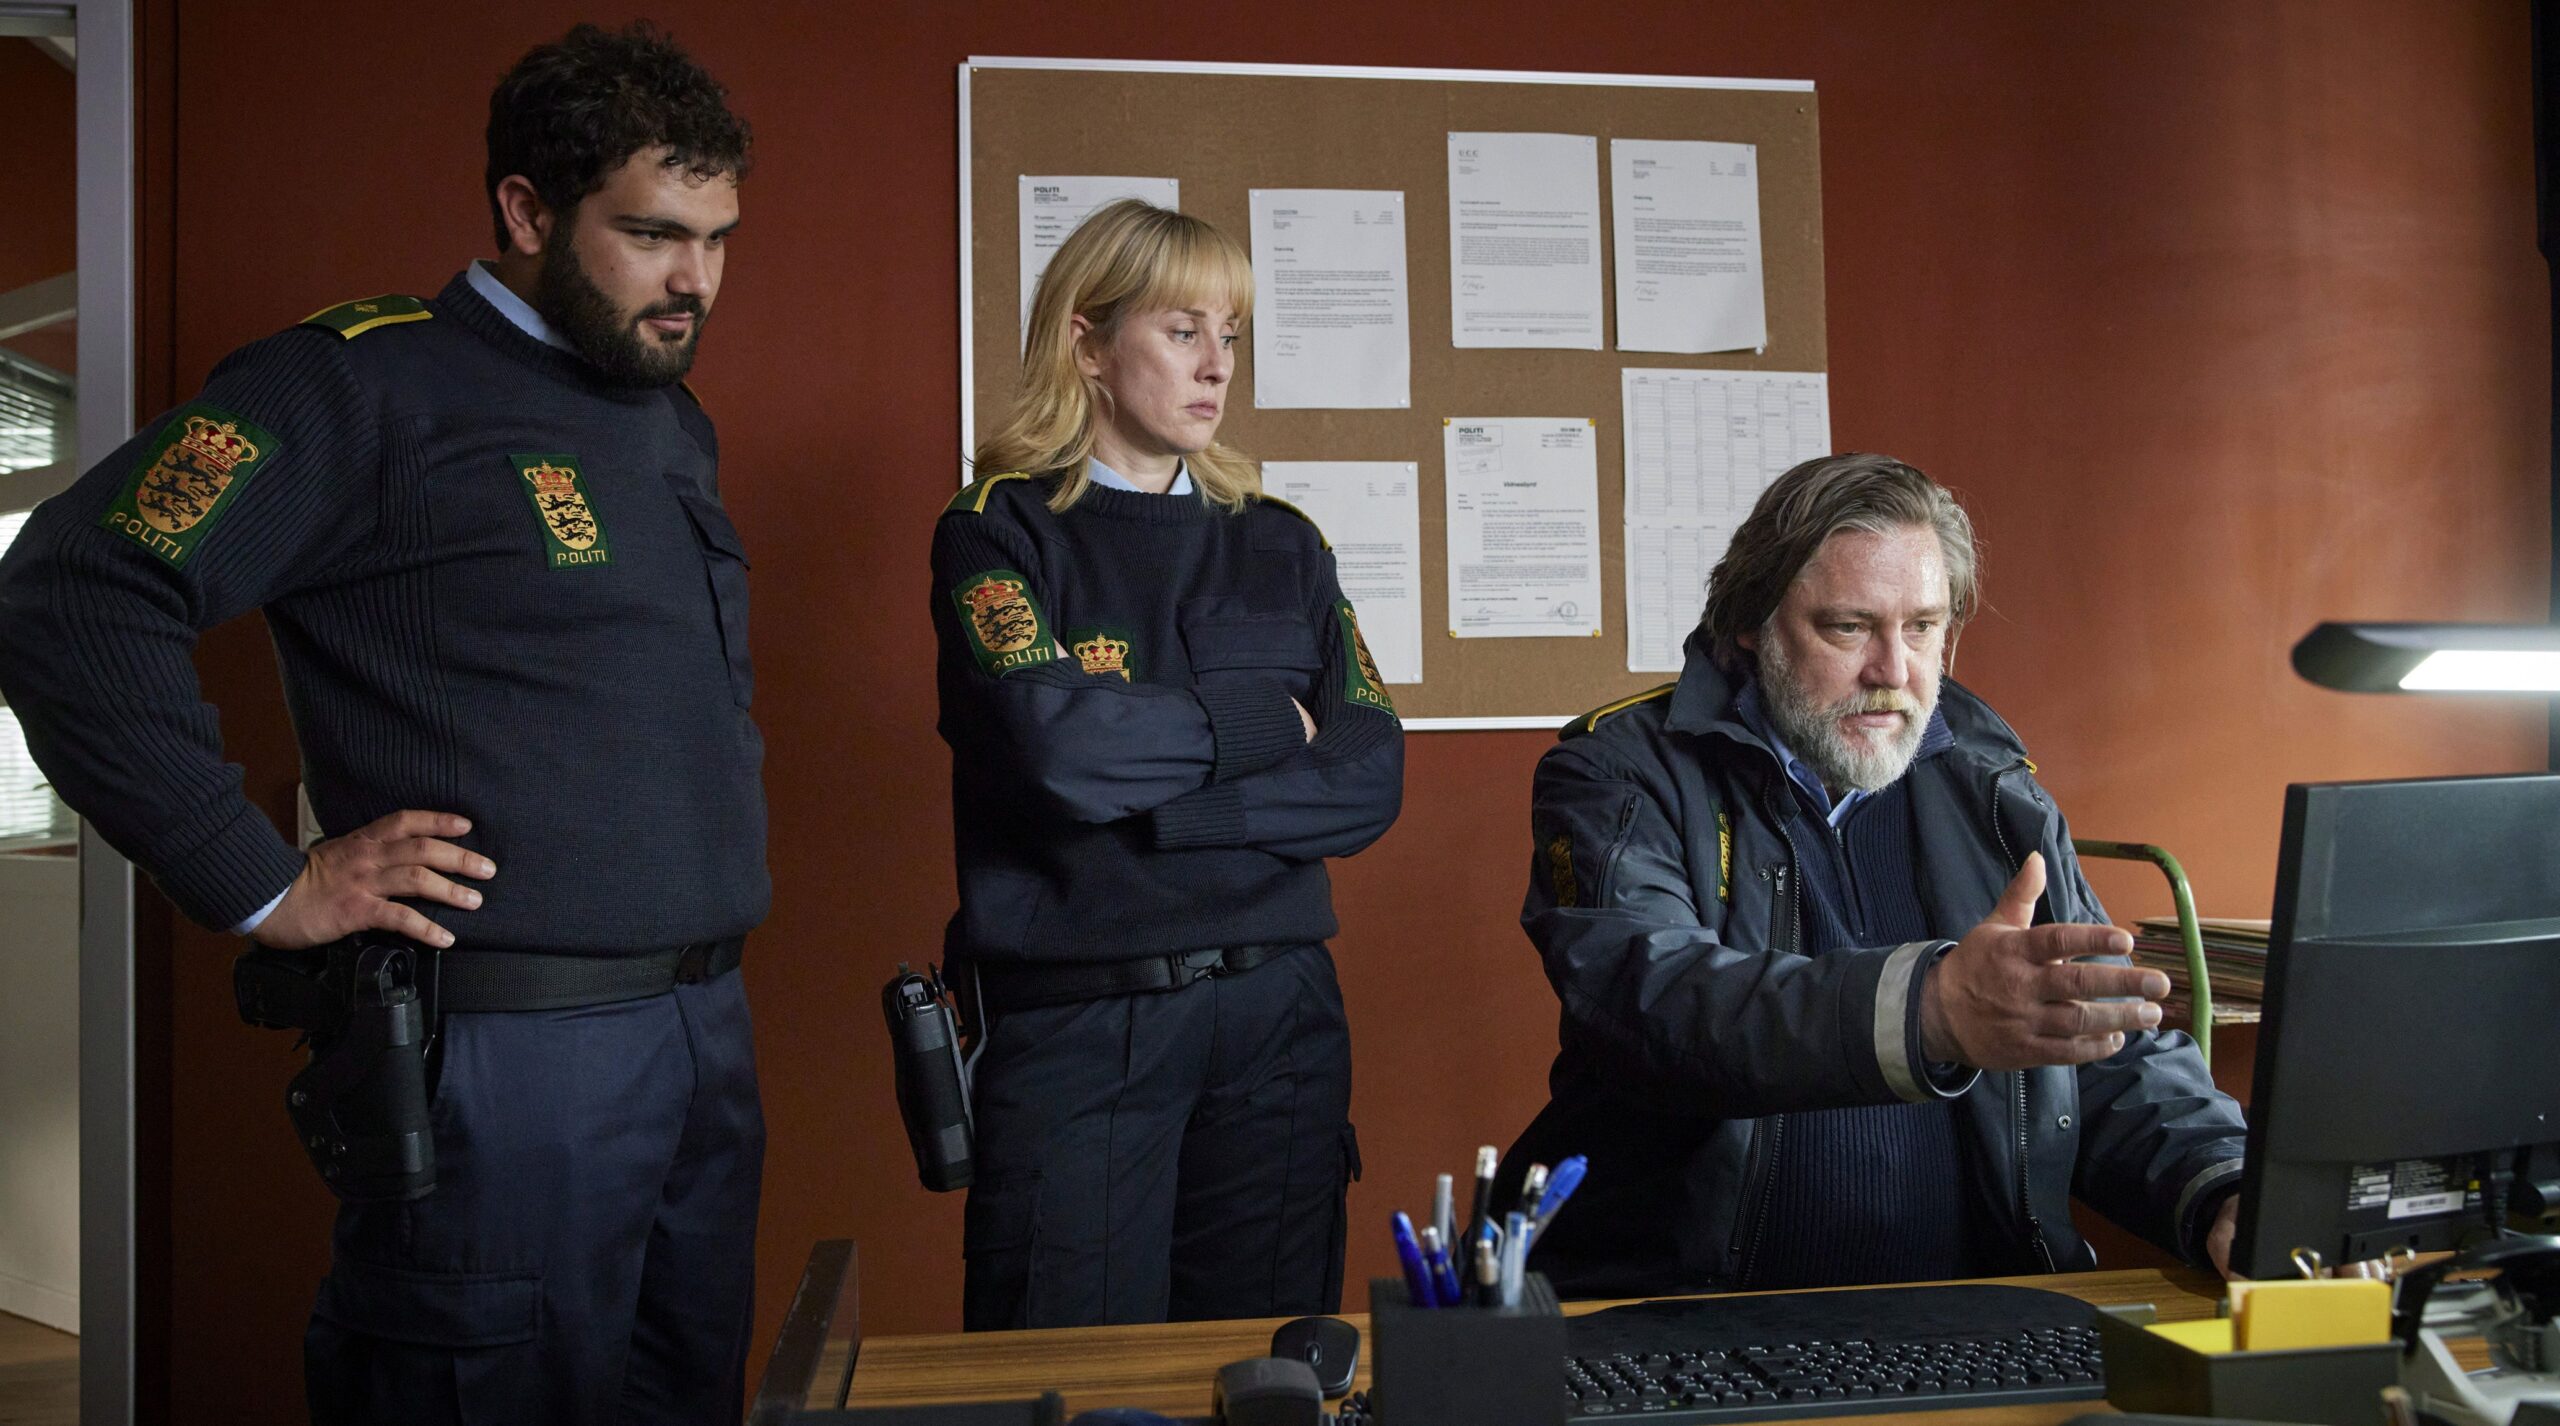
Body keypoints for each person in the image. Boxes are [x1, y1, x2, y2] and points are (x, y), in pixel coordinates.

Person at [0, 23, 765, 1424]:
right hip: (514, 1058)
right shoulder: (360, 384)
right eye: (653, 234)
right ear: (526, 210)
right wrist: (259, 882)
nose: (694, 281)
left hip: (699, 1037)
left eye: (716, 240)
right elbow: (75, 590)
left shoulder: (666, 416)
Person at [1501, 452, 2248, 1298]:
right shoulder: (1617, 773)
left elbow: (2098, 1046)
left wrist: (2224, 1186)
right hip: (1691, 1311)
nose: (1894, 672)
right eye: (1849, 628)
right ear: (1750, 623)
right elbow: (1660, 1008)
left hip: (1966, 1309)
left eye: (1922, 627)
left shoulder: (1996, 792)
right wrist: (1929, 1011)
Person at [932, 199, 1404, 1330]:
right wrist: (1266, 726)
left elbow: (1367, 773)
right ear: (1088, 345)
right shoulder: (998, 530)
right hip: (1085, 1025)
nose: (1217, 365)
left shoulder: (1281, 539)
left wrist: (1170, 813)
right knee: (1070, 1374)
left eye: (1229, 335)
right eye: (1183, 331)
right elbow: (1063, 751)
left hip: (1279, 1014)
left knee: (1269, 1363)